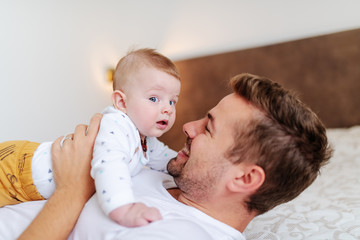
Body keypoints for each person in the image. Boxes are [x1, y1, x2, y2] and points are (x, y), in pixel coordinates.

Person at [1, 73, 332, 240]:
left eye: (208, 128)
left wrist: (72, 190)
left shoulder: (182, 234)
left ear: (245, 178)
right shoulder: (172, 174)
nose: (187, 126)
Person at [0, 48, 181, 227]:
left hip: (25, 182)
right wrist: (124, 207)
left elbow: (168, 160)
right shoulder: (117, 125)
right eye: (154, 99)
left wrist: (187, 164)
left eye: (172, 101)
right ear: (122, 102)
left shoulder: (147, 141)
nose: (168, 109)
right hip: (17, 168)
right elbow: (109, 165)